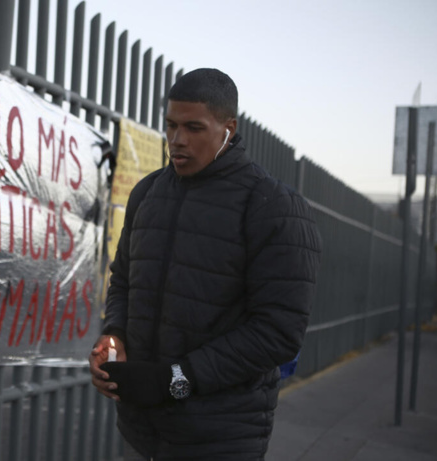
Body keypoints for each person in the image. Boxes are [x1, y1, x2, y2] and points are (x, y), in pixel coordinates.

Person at [89, 68, 322, 460]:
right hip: (140, 431)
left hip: (221, 437)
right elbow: (124, 281)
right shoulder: (147, 193)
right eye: (171, 126)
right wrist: (114, 334)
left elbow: (279, 331)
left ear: (228, 129)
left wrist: (177, 379)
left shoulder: (271, 206)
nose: (177, 140)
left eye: (194, 127)